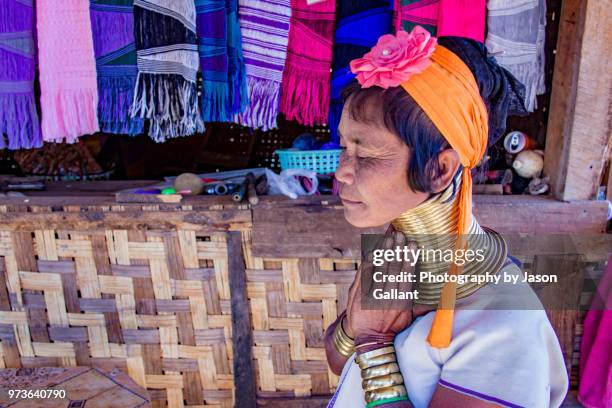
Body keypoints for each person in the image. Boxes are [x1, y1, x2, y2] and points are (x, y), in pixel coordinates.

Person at [324, 27, 568, 408]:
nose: (341, 172)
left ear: (439, 168)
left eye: (367, 153)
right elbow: (340, 360)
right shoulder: (398, 259)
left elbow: (362, 348)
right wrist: (357, 330)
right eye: (343, 147)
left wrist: (373, 342)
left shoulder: (503, 322)